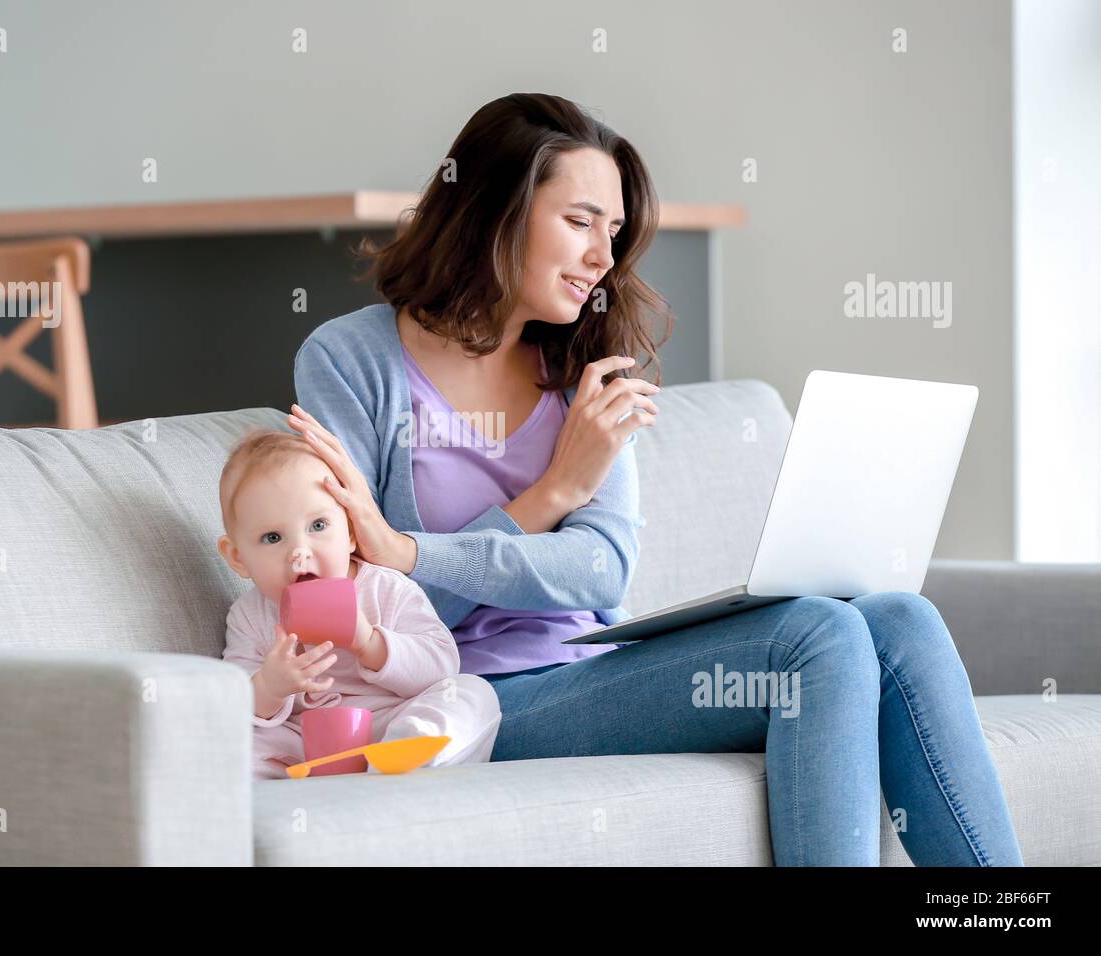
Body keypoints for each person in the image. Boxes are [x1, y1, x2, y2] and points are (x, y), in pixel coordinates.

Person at [286, 92, 1023, 865]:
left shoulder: (581, 369)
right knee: (818, 633)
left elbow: (600, 570)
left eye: (613, 230)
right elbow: (355, 605)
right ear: (495, 211)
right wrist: (551, 497)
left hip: (591, 671)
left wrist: (411, 550)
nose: (604, 257)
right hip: (464, 700)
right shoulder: (351, 361)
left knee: (900, 619)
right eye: (579, 222)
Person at [216, 428, 501, 781]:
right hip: (301, 744)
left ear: (351, 532)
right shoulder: (249, 615)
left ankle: (407, 757)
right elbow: (231, 701)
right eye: (272, 537)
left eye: (318, 525)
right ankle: (271, 784)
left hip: (388, 727)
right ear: (238, 557)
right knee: (230, 739)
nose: (299, 552)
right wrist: (270, 686)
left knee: (473, 693)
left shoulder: (386, 588)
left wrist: (369, 642)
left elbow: (441, 666)